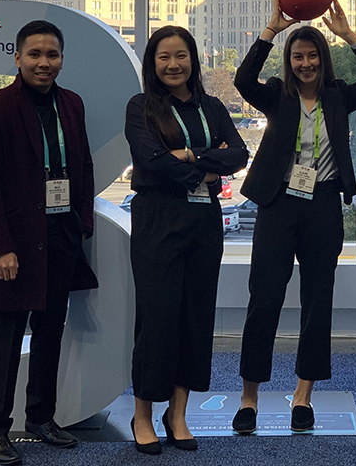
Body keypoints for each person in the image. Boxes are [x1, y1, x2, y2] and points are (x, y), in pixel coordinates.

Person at [232, 0, 356, 434]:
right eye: (298, 56)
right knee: (263, 299)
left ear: (323, 60)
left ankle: (303, 395)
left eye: (312, 56)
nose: (305, 63)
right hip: (278, 204)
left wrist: (348, 35)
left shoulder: (339, 97)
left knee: (316, 301)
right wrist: (271, 30)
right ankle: (249, 398)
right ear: (290, 61)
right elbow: (242, 78)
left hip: (322, 205)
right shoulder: (275, 95)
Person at [0, 20, 99, 465]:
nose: (44, 63)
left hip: (62, 235)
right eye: (35, 55)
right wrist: (1, 246)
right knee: (6, 338)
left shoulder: (72, 104)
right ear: (18, 58)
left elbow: (82, 164)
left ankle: (41, 418)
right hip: (15, 243)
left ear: (62, 59)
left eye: (52, 55)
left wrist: (82, 222)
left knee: (50, 334)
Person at [125, 25, 248, 454]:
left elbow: (239, 154)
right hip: (158, 217)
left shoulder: (210, 106)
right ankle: (142, 414)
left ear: (193, 60)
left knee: (195, 316)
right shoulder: (141, 106)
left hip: (203, 220)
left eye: (181, 56)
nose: (173, 64)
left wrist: (190, 155)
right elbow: (151, 163)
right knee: (157, 317)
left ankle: (177, 414)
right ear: (152, 64)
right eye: (164, 57)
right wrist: (206, 165)